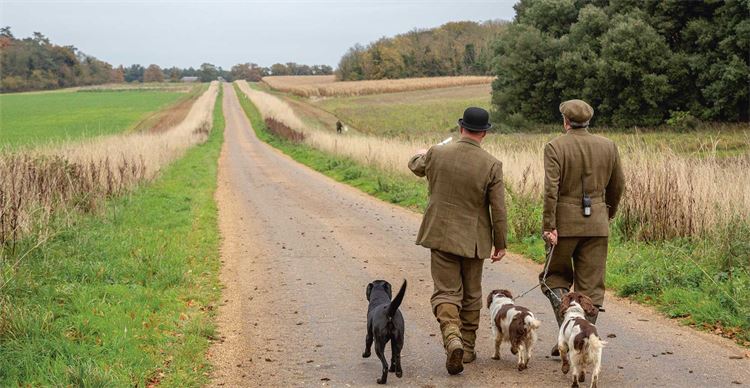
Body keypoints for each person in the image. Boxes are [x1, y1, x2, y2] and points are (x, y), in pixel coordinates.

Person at [408, 107, 507, 375]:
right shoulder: (492, 165)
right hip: (474, 241)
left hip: (440, 235)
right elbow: (498, 210)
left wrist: (419, 152)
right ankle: (469, 347)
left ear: (461, 127)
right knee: (472, 294)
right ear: (484, 133)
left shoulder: (438, 153)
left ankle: (451, 337)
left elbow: (416, 165)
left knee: (445, 291)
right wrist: (501, 243)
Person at [540, 99, 625, 356]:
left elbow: (550, 189)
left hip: (563, 225)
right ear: (588, 121)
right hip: (597, 222)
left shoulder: (555, 146)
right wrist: (608, 212)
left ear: (565, 121)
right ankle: (583, 337)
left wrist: (549, 224)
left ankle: (567, 335)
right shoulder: (609, 146)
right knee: (592, 287)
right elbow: (618, 185)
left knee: (553, 278)